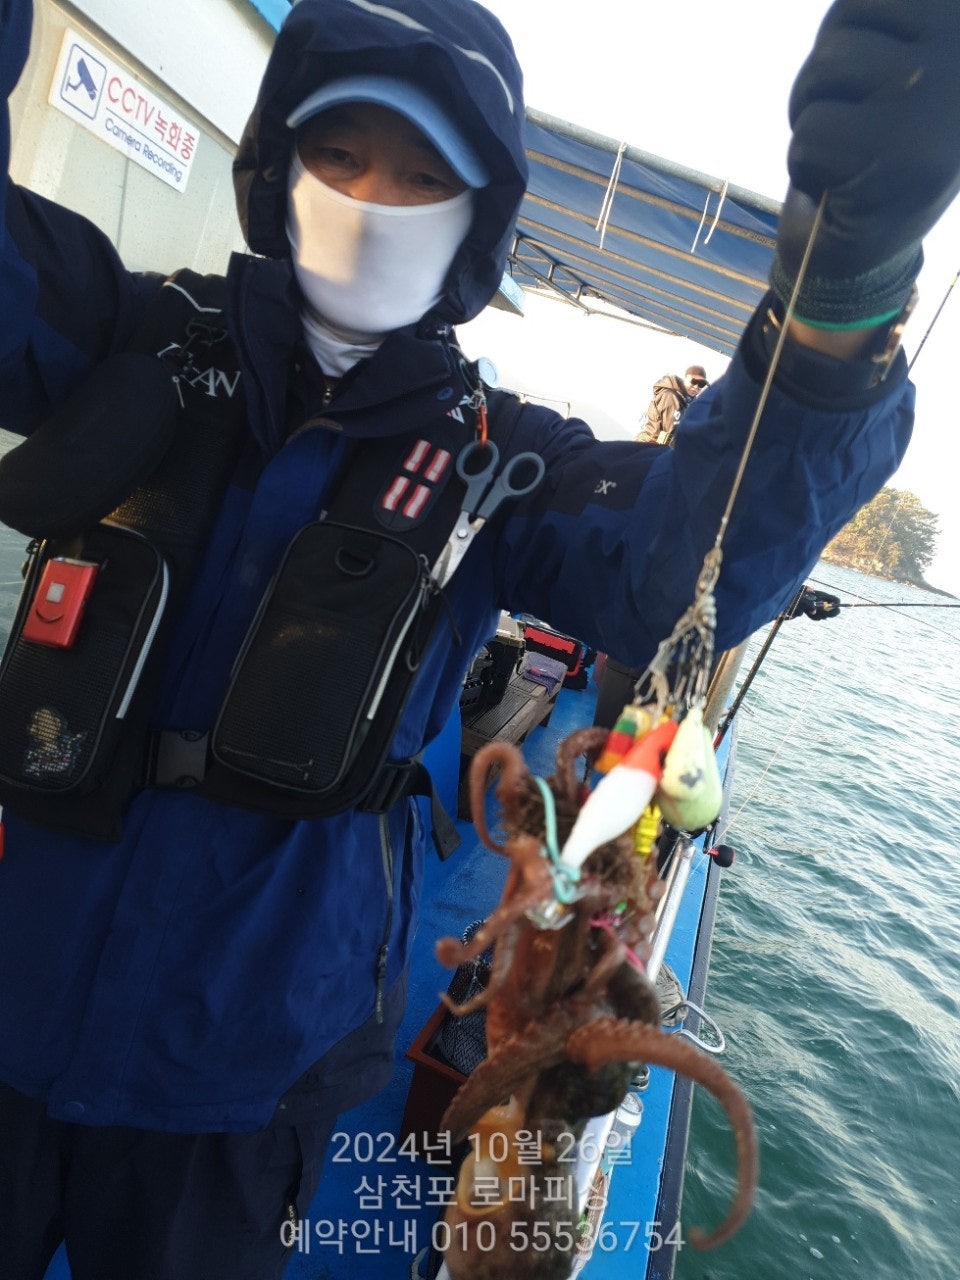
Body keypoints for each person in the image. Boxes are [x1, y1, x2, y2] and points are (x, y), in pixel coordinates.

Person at [1, 0, 958, 1275]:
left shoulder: (499, 458)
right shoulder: (125, 332)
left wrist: (841, 291)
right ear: (276, 167)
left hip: (242, 1068)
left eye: (422, 176)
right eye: (338, 153)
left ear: (476, 220)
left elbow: (691, 568)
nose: (370, 199)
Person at [635, 364, 708, 445]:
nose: (696, 387)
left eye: (701, 384)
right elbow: (667, 434)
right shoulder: (671, 397)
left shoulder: (688, 402)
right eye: (693, 381)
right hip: (651, 445)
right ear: (685, 378)